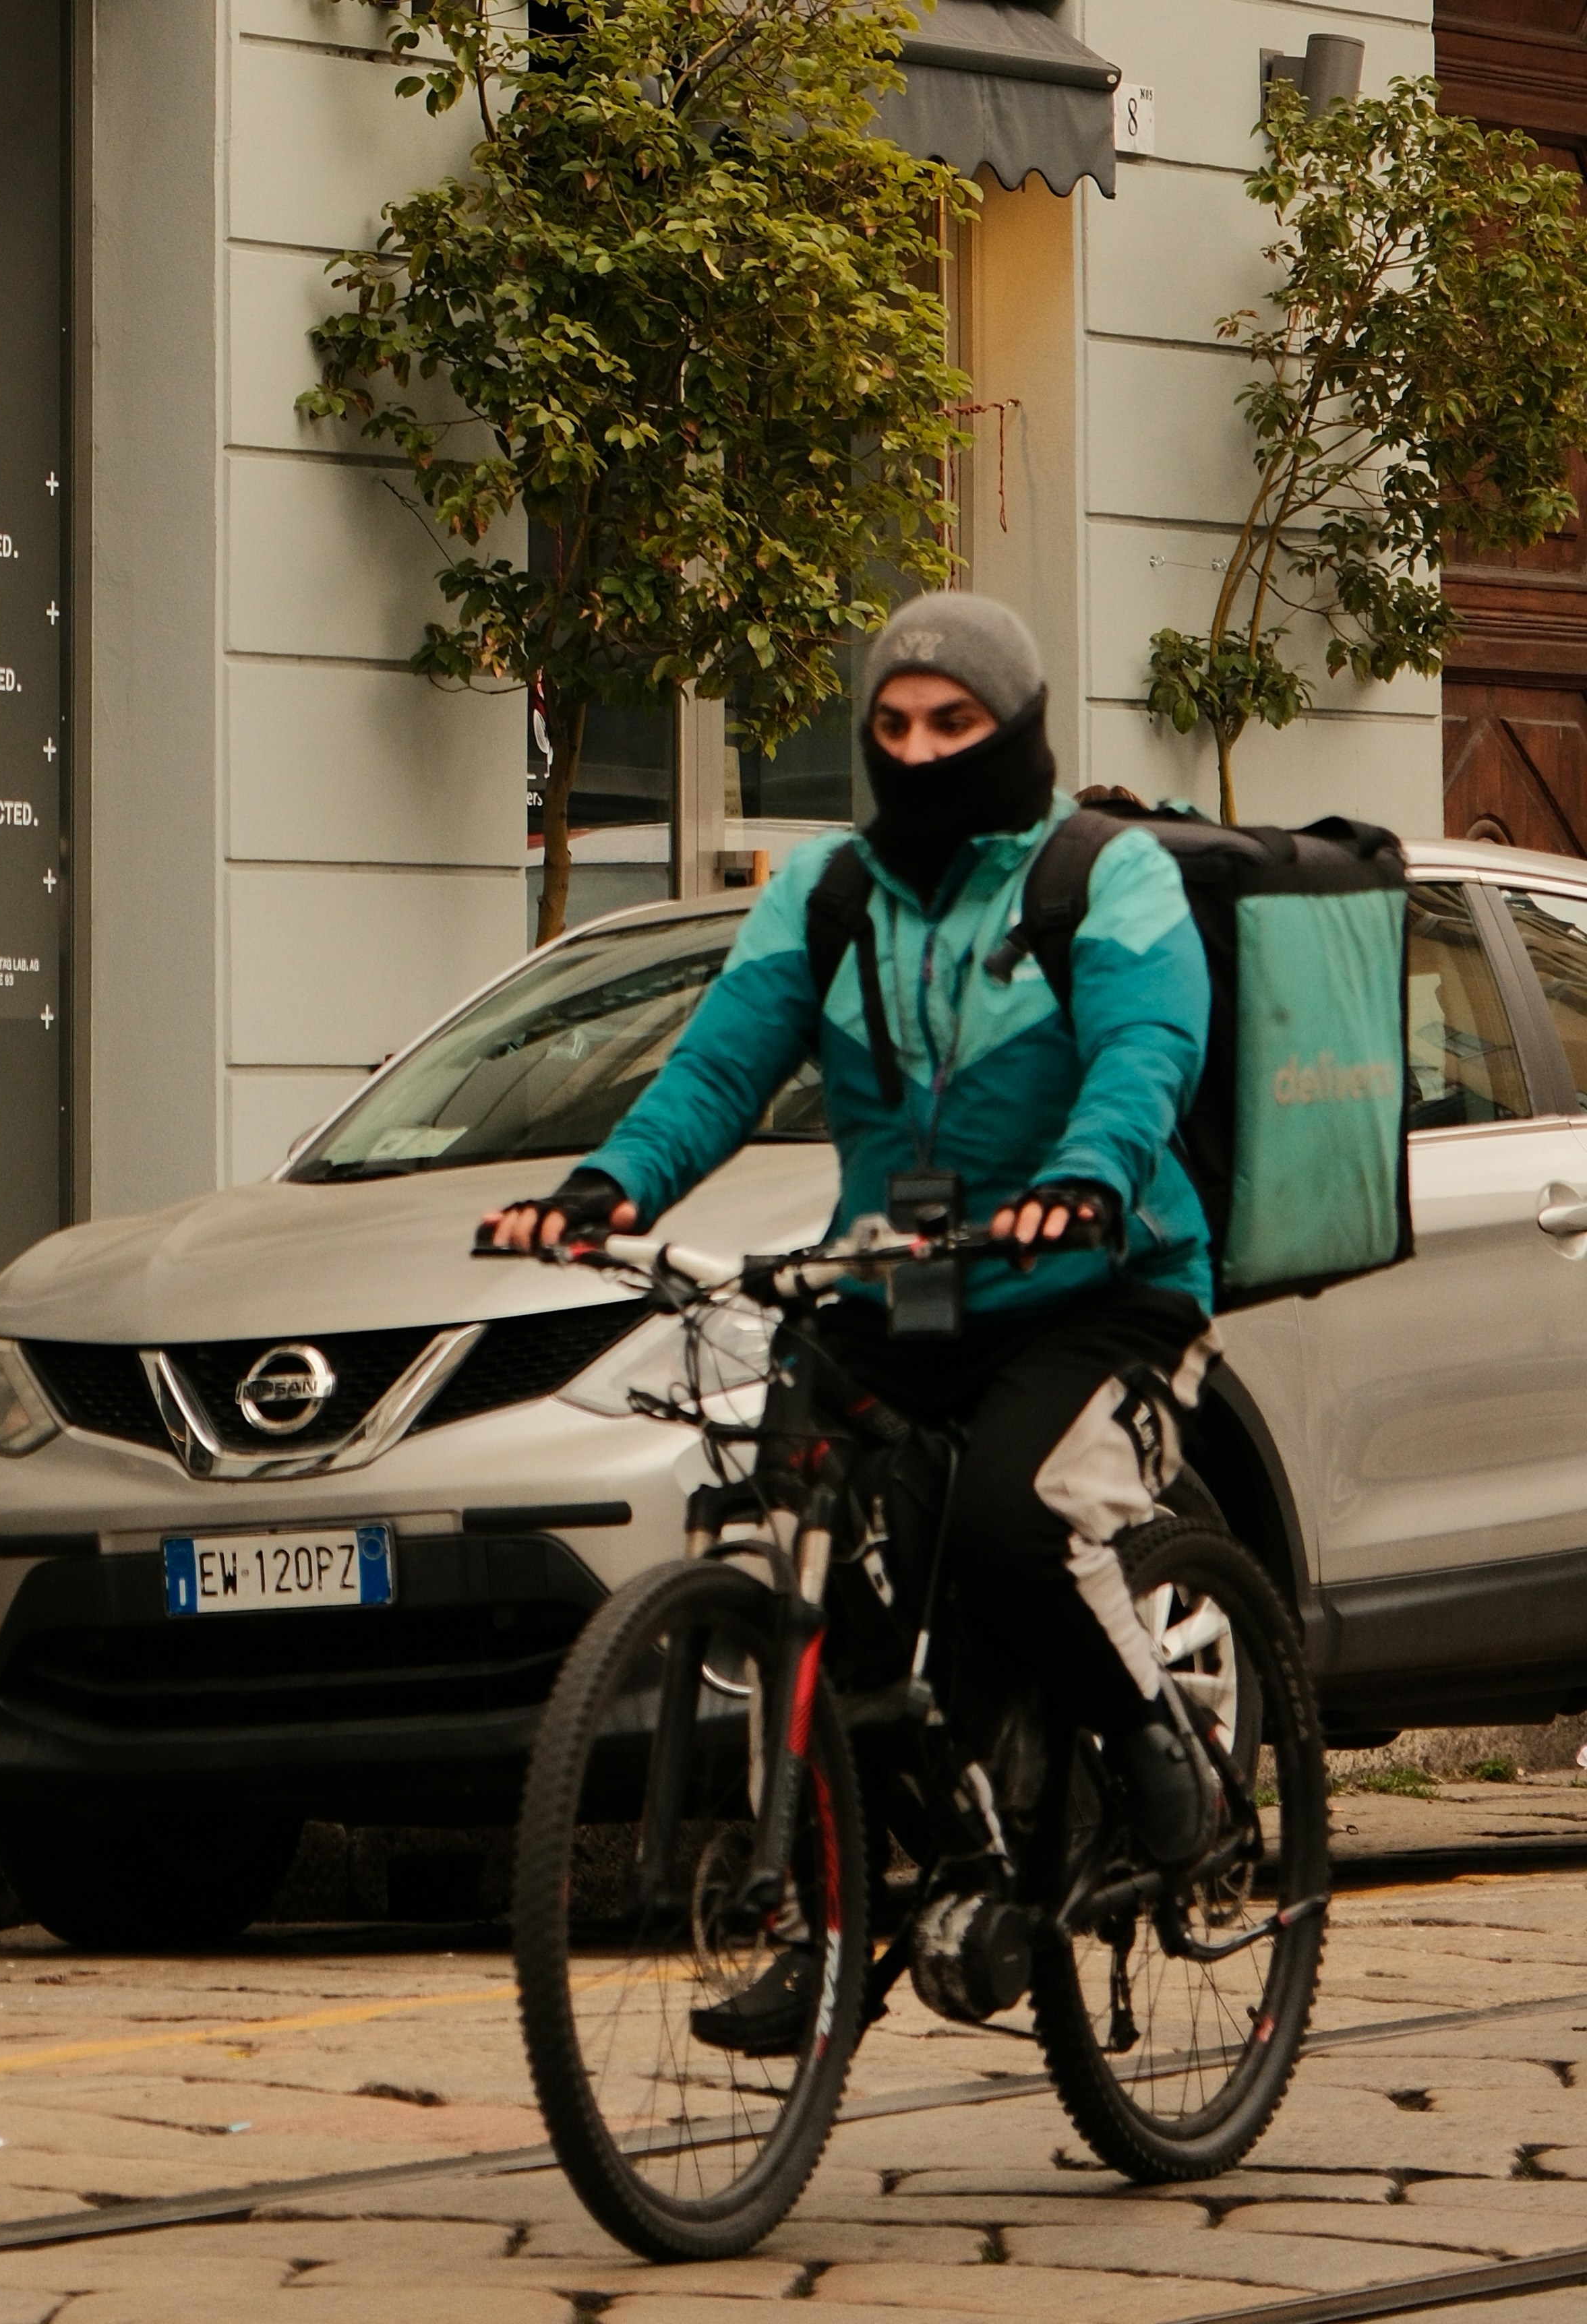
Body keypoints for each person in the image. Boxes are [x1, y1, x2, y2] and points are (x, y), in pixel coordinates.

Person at [480, 590, 1223, 1991]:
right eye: (890, 725)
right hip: (896, 1292)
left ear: (1013, 726)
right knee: (814, 1586)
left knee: (1020, 1523)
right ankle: (841, 1921)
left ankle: (1146, 1736)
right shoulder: (822, 891)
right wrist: (606, 1189)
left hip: (1096, 1284)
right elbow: (714, 1068)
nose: (921, 749)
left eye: (953, 723)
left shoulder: (1102, 874)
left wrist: (1085, 1174)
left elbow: (1145, 1051)